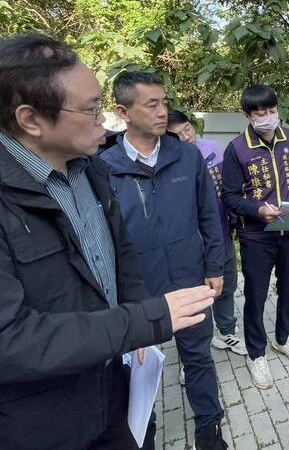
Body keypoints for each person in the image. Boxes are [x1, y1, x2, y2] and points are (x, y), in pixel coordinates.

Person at [0, 35, 216, 450]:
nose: (104, 122)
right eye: (91, 109)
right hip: (23, 425)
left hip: (108, 396)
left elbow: (120, 255)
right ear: (31, 119)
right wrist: (144, 321)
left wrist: (136, 317)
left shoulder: (91, 170)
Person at [100, 73, 228, 450]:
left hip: (190, 277)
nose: (162, 112)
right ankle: (144, 431)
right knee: (139, 365)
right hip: (139, 288)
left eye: (165, 103)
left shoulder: (186, 155)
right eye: (151, 104)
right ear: (123, 112)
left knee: (198, 357)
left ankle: (209, 427)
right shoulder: (103, 166)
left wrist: (215, 266)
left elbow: (209, 214)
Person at [221, 84, 289, 389]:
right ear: (248, 116)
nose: (268, 117)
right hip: (257, 236)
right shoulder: (237, 149)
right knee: (256, 295)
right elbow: (230, 196)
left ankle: (282, 338)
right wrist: (258, 210)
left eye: (272, 110)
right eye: (261, 113)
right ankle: (256, 353)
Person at [167, 109, 247, 356]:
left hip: (220, 233)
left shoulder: (212, 148)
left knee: (226, 285)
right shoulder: (168, 162)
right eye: (177, 135)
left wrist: (234, 223)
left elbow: (228, 189)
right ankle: (193, 353)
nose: (186, 136)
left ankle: (226, 332)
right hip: (189, 242)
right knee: (193, 294)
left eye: (187, 129)